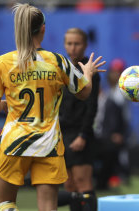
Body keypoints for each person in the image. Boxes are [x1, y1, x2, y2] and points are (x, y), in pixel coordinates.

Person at [0, 4, 105, 211]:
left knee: (6, 204)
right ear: (43, 29)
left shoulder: (2, 63)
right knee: (48, 207)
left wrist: (6, 104)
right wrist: (88, 73)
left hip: (14, 144)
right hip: (48, 145)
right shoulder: (58, 61)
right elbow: (84, 93)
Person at [57, 28, 100, 211]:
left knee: (83, 182)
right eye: (69, 43)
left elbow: (92, 106)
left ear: (85, 45)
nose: (73, 48)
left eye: (77, 43)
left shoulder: (89, 69)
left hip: (80, 132)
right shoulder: (62, 67)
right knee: (69, 185)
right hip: (62, 133)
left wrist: (83, 134)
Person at [94, 58, 131, 189]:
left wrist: (120, 132)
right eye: (113, 72)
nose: (114, 75)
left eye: (118, 72)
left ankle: (122, 175)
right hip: (106, 132)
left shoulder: (123, 92)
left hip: (119, 130)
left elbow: (121, 117)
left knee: (120, 153)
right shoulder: (109, 92)